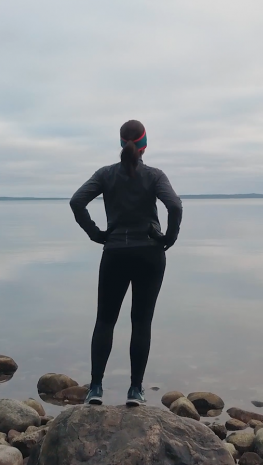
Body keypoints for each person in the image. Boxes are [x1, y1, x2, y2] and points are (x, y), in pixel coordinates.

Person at [69, 120, 183, 406]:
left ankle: (95, 388)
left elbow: (76, 202)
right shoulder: (155, 176)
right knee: (141, 323)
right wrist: (168, 237)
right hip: (150, 255)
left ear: (122, 143)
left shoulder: (106, 175)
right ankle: (135, 391)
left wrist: (96, 234)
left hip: (115, 253)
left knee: (105, 321)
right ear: (144, 145)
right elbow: (175, 206)